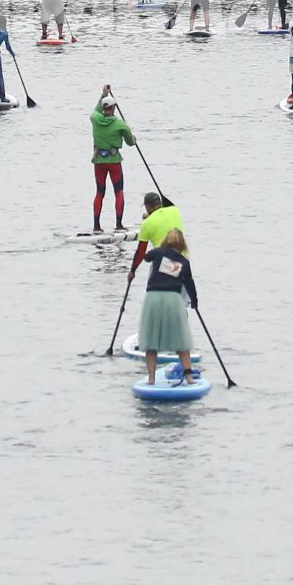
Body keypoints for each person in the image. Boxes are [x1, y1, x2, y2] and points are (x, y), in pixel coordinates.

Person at [134, 229, 199, 387]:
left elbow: (146, 257)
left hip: (153, 298)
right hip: (172, 299)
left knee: (151, 341)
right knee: (182, 340)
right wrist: (195, 302)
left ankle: (151, 379)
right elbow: (189, 283)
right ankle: (189, 377)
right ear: (182, 244)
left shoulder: (157, 253)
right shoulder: (184, 261)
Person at [89, 88, 138, 233]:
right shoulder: (120, 125)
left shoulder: (94, 118)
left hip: (99, 162)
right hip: (114, 162)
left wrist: (103, 94)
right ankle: (119, 225)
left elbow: (96, 110)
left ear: (104, 108)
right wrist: (133, 138)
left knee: (100, 192)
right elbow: (130, 142)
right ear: (114, 108)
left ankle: (96, 227)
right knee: (118, 191)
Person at [127, 191, 185, 280]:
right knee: (179, 288)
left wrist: (132, 271)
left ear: (147, 207)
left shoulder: (147, 224)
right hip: (184, 259)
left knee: (157, 287)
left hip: (166, 262)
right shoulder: (175, 210)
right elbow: (167, 208)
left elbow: (141, 252)